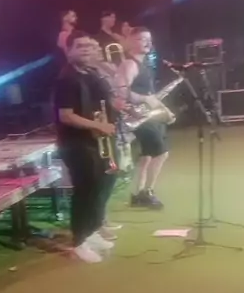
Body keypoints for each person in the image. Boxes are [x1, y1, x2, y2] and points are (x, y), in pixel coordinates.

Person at [55, 31, 119, 263]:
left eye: (91, 46)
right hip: (77, 144)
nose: (86, 50)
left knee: (102, 184)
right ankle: (79, 242)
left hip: (95, 140)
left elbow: (108, 97)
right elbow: (66, 116)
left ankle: (91, 232)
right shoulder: (67, 79)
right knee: (85, 191)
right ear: (69, 50)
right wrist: (99, 125)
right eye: (80, 46)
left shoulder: (91, 73)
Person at [116, 26, 169, 208]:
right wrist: (145, 99)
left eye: (149, 39)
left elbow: (150, 94)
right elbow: (121, 93)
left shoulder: (144, 63)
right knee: (161, 153)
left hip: (148, 115)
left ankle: (138, 194)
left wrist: (164, 109)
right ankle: (147, 192)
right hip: (137, 117)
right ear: (130, 42)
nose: (148, 42)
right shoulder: (129, 64)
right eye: (142, 39)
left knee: (147, 155)